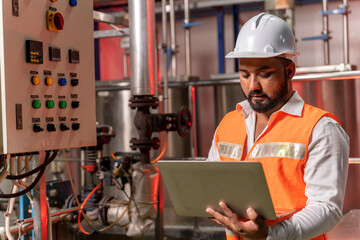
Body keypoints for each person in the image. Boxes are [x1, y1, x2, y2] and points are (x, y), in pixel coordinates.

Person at [205, 12, 349, 240]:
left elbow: (327, 209)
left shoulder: (320, 129)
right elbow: (210, 187)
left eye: (264, 74)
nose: (253, 86)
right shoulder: (228, 123)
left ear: (289, 71)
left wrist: (270, 234)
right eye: (244, 74)